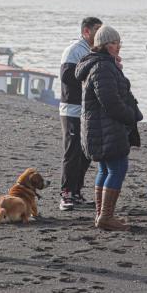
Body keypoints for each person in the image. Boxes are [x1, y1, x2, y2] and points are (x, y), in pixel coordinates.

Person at [75, 25, 141, 231]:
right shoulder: (102, 67)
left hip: (99, 128)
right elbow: (111, 101)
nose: (117, 47)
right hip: (106, 128)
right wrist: (131, 116)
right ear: (102, 45)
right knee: (116, 168)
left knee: (105, 168)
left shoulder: (102, 64)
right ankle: (105, 216)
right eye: (113, 43)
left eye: (118, 42)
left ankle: (102, 215)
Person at [58, 16, 102, 211]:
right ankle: (66, 194)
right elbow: (67, 76)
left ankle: (76, 191)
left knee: (85, 152)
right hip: (72, 109)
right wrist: (89, 80)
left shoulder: (93, 50)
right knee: (72, 151)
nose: (100, 34)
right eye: (96, 30)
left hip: (87, 110)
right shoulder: (75, 50)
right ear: (86, 31)